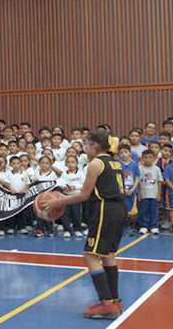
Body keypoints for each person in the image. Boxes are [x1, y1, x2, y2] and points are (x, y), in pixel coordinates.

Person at [40, 129, 127, 319]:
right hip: (119, 209)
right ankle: (114, 300)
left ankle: (106, 304)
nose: (84, 148)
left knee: (90, 255)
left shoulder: (96, 163)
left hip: (105, 209)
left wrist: (59, 201)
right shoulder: (114, 161)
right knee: (108, 254)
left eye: (85, 144)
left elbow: (84, 195)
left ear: (94, 145)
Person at [138, 150, 162, 234]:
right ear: (142, 158)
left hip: (153, 194)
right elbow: (138, 182)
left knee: (153, 211)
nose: (148, 159)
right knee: (143, 211)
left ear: (154, 158)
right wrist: (139, 194)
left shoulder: (156, 169)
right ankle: (143, 226)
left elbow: (159, 182)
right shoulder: (139, 168)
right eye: (146, 158)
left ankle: (153, 226)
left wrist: (158, 194)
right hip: (143, 194)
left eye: (150, 158)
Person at [33, 156, 58, 237]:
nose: (44, 165)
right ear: (39, 164)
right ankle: (39, 229)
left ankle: (50, 228)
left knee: (49, 214)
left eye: (47, 163)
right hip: (39, 198)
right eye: (42, 163)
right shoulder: (36, 173)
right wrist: (34, 181)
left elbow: (55, 185)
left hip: (49, 198)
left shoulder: (52, 174)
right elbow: (32, 184)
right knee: (39, 214)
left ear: (50, 164)